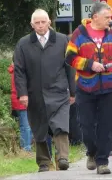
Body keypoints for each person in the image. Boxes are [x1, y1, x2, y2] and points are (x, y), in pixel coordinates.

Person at [65, 2, 112, 175]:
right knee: (86, 126)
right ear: (95, 17)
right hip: (85, 88)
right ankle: (91, 151)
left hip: (108, 88)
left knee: (107, 126)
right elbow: (69, 58)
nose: (110, 20)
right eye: (107, 17)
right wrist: (90, 65)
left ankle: (102, 161)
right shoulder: (79, 34)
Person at [13, 9, 75, 172]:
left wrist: (73, 91)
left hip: (59, 91)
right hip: (35, 93)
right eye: (37, 23)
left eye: (43, 22)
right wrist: (23, 93)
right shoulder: (23, 44)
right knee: (39, 127)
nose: (41, 26)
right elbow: (19, 70)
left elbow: (70, 67)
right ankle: (44, 162)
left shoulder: (62, 40)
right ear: (32, 25)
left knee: (60, 125)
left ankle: (63, 157)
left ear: (49, 22)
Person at [9, 61, 32, 153]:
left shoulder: (16, 71)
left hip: (19, 100)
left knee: (25, 125)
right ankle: (26, 148)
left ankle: (26, 146)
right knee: (26, 126)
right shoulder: (18, 72)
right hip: (21, 101)